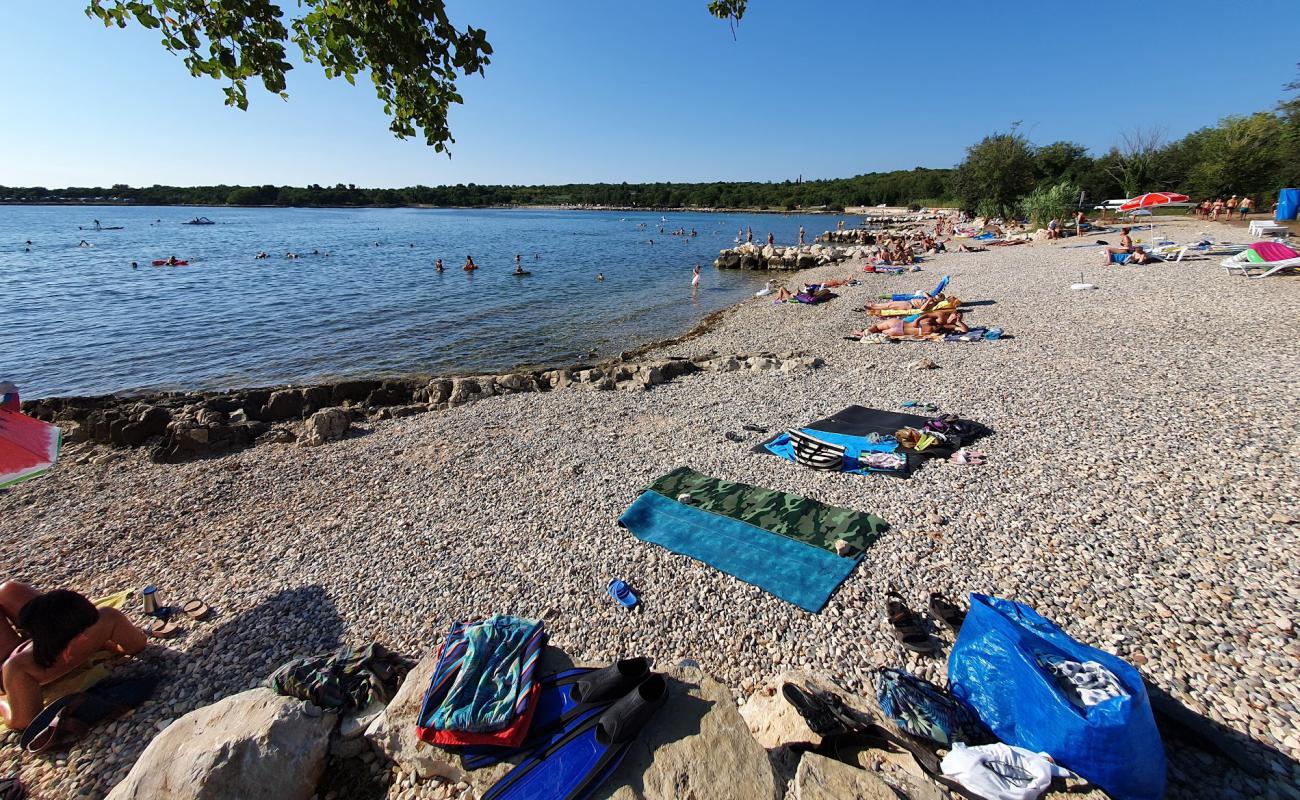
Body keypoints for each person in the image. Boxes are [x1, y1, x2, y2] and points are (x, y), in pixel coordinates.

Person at [0, 582, 147, 730]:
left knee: (8, 592)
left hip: (17, 656)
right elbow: (136, 645)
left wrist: (2, 702)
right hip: (63, 640)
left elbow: (22, 722)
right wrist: (100, 642)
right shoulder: (108, 618)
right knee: (8, 589)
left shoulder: (17, 667)